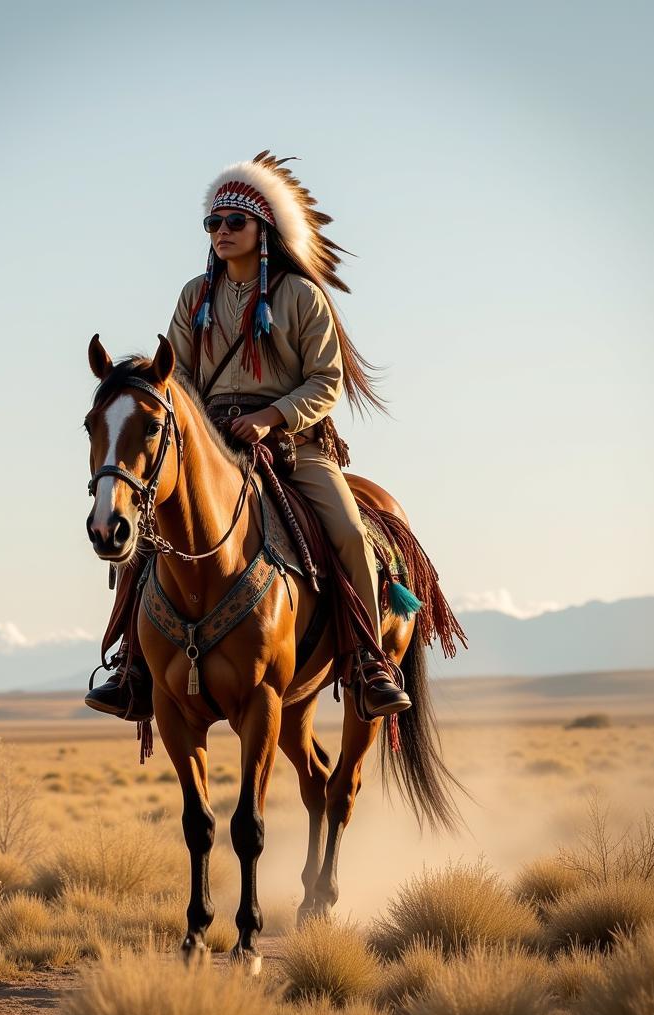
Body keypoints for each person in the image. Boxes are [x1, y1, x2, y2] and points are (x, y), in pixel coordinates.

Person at [85, 151, 411, 721]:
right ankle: (132, 666)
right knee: (144, 538)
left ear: (264, 229)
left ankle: (368, 662)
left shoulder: (301, 297)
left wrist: (271, 417)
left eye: (234, 221)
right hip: (209, 445)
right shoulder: (193, 297)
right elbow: (175, 377)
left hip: (291, 444)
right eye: (212, 223)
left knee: (351, 533)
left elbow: (327, 380)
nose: (221, 232)